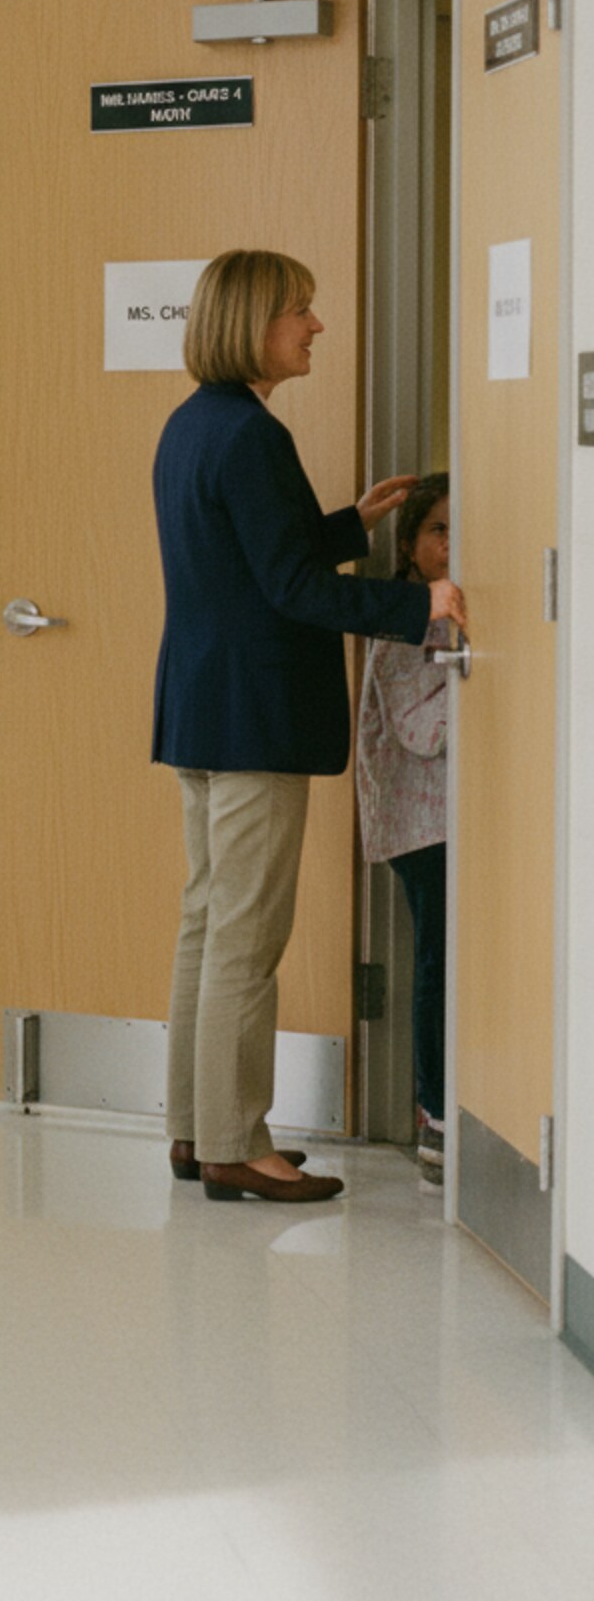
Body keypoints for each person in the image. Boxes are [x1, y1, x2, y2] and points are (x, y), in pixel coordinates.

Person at [152, 250, 465, 1203]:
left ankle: (193, 1130)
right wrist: (424, 610)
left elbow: (254, 555)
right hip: (255, 716)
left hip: (203, 704)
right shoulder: (250, 433)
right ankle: (236, 1144)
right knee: (245, 936)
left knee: (208, 925)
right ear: (253, 322)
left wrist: (347, 525)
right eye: (300, 311)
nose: (316, 326)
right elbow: (288, 591)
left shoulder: (195, 425)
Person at [356, 472, 453, 1184]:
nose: (452, 545)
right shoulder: (403, 622)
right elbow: (424, 730)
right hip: (420, 821)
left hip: (463, 816)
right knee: (440, 960)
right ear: (410, 546)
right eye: (438, 530)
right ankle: (436, 1113)